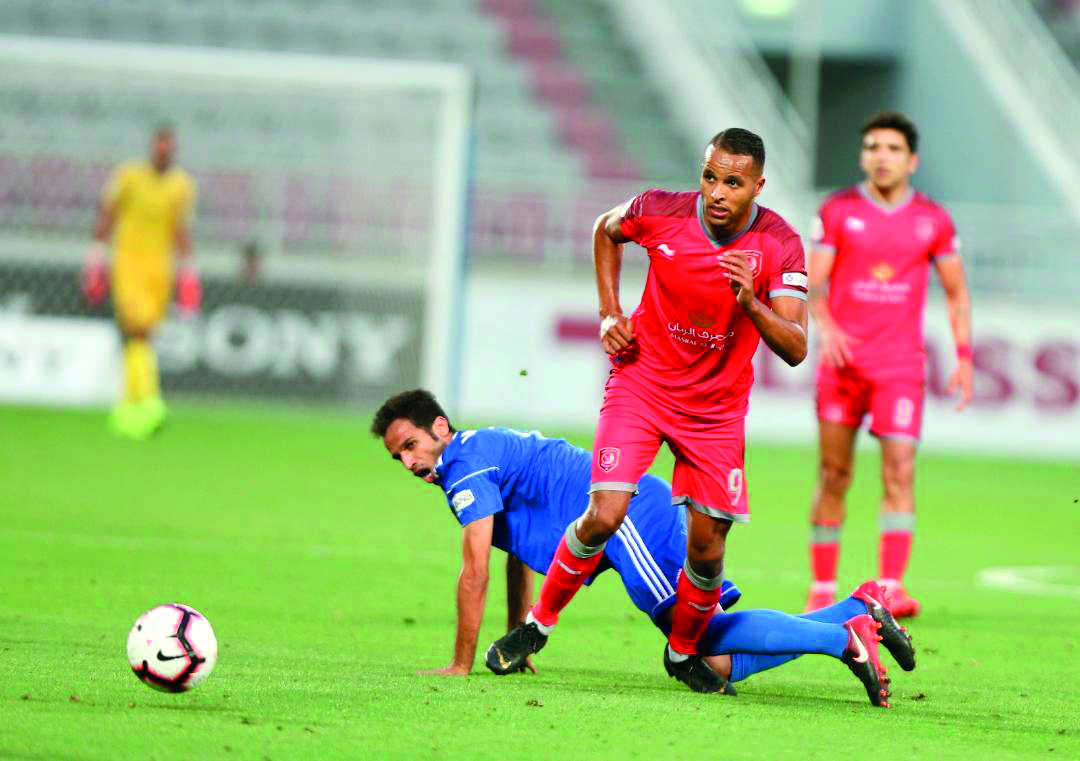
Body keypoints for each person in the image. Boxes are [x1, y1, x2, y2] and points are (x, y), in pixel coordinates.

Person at [487, 128, 810, 693]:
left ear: (758, 186)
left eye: (733, 183)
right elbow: (605, 230)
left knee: (707, 550)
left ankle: (682, 652)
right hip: (642, 385)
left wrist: (751, 302)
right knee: (605, 513)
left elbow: (796, 347)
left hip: (714, 412)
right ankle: (537, 626)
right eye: (709, 177)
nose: (717, 192)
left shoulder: (780, 244)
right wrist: (610, 312)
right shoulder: (660, 210)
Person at [372, 389, 915, 707]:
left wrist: (461, 664)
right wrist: (521, 635)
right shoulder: (475, 454)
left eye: (412, 445)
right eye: (399, 456)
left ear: (439, 427)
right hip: (629, 515)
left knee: (697, 638)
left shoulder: (465, 467)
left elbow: (474, 573)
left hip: (627, 519)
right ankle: (858, 610)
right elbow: (513, 554)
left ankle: (843, 639)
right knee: (715, 658)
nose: (409, 462)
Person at [804, 112, 973, 617]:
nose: (882, 156)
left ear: (912, 160)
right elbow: (813, 284)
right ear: (862, 155)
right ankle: (821, 587)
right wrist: (828, 325)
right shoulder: (838, 211)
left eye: (893, 148)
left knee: (900, 470)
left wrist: (964, 357)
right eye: (873, 146)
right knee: (834, 473)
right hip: (842, 366)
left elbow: (957, 293)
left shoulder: (933, 219)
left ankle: (892, 587)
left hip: (899, 367)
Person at [83, 124, 200, 439]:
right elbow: (107, 215)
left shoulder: (182, 185)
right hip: (129, 265)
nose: (165, 151)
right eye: (160, 145)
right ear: (152, 147)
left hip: (161, 269)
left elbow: (180, 228)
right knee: (138, 331)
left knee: (143, 336)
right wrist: (96, 258)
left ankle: (128, 406)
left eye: (169, 147)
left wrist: (189, 272)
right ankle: (149, 400)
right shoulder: (128, 176)